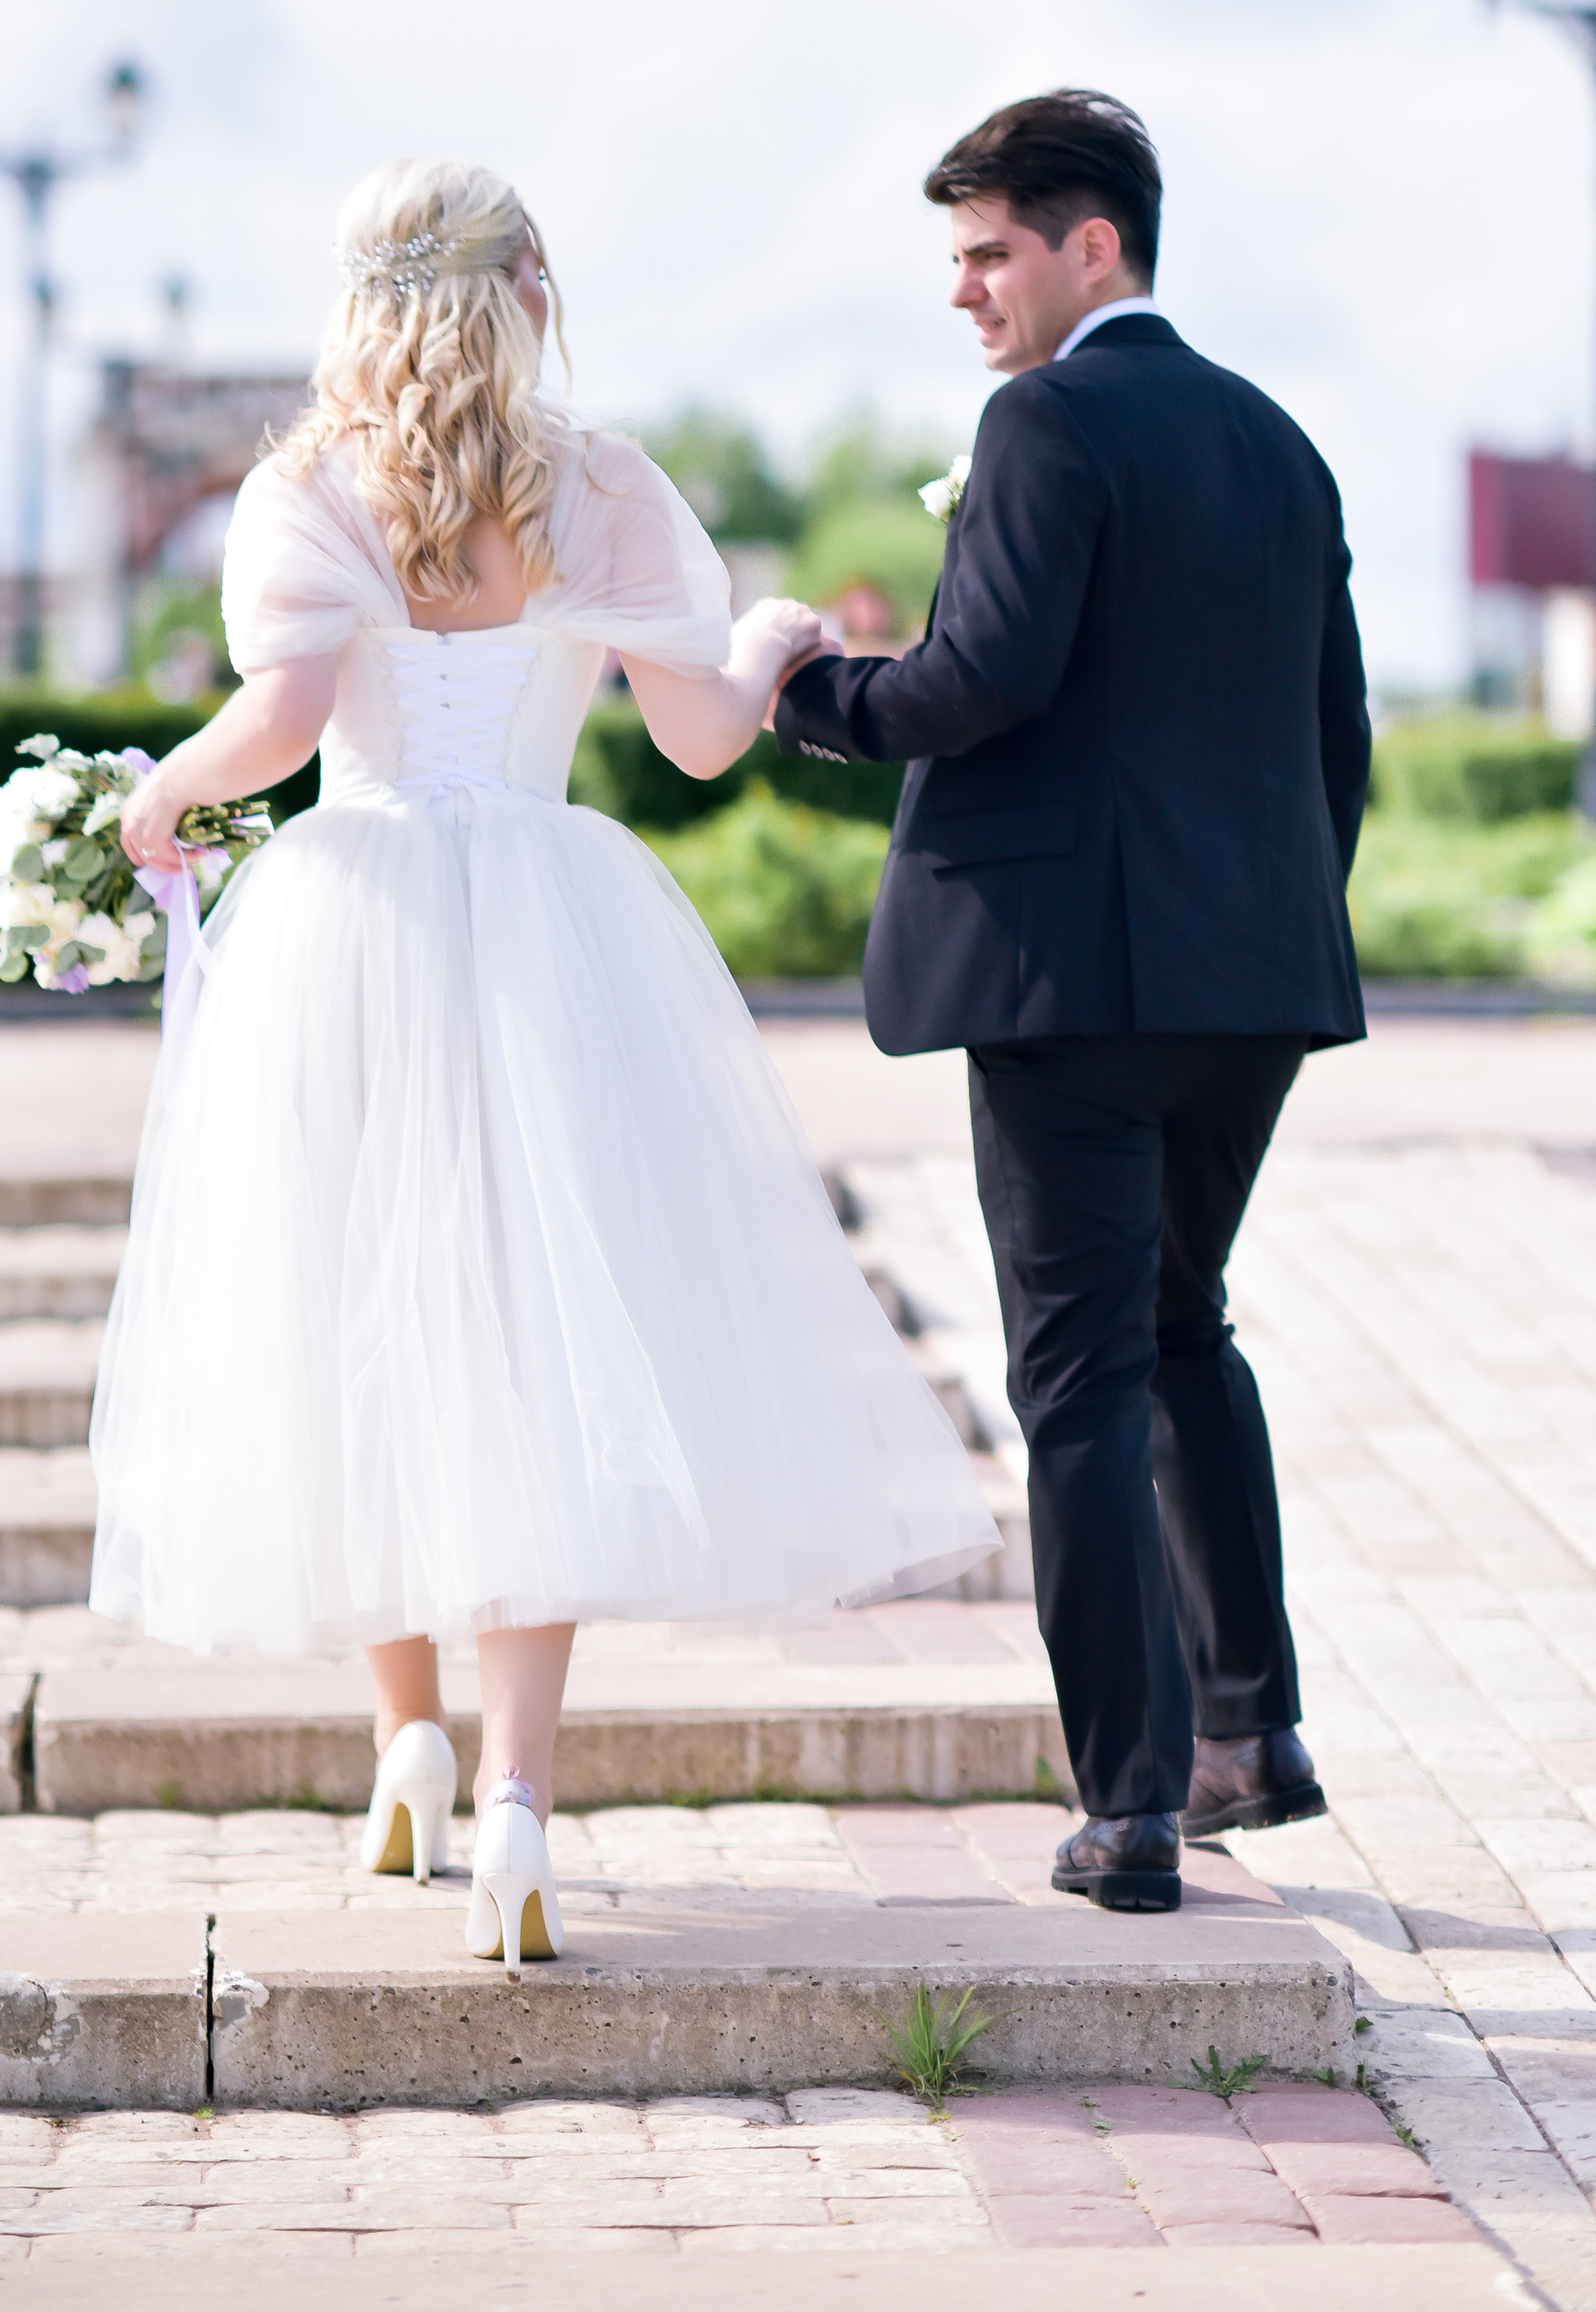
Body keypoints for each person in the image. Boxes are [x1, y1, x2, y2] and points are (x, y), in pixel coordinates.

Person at [97, 156, 1000, 1970]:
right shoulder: (599, 487)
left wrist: (153, 797)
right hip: (541, 914)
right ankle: (512, 1800)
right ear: (524, 288)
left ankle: (402, 1746)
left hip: (345, 926)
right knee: (528, 1340)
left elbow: (274, 731)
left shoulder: (302, 491)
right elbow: (685, 737)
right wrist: (758, 646)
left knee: (353, 1316)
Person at [774, 91, 1370, 1914]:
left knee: (1082, 1386)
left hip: (1070, 991)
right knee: (1182, 1330)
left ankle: (1127, 1809)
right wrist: (1273, 924)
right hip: (1250, 983)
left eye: (985, 251)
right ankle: (1243, 1730)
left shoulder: (1041, 418)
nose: (963, 294)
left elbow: (982, 679)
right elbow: (1332, 736)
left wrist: (812, 687)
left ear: (1086, 245)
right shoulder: (1278, 442)